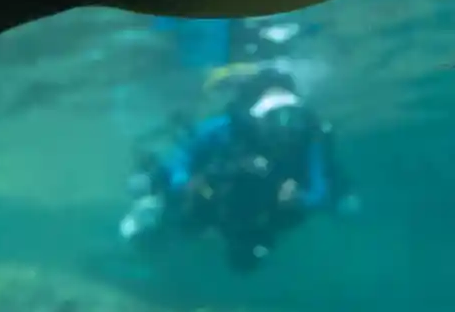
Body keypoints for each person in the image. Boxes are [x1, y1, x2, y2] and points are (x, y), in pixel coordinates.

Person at [119, 66, 356, 272]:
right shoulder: (226, 128)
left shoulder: (309, 138)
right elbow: (184, 156)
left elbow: (320, 191)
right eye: (275, 117)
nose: (285, 130)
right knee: (179, 220)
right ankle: (154, 204)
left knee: (246, 260)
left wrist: (299, 199)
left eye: (291, 117)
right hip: (212, 192)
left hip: (261, 209)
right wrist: (184, 182)